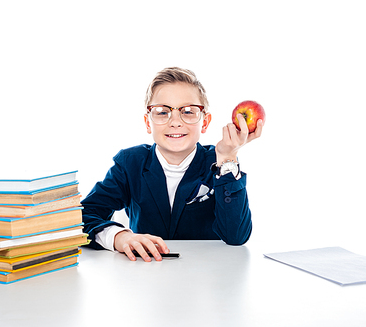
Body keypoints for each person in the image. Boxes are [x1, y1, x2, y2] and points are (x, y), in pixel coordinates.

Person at [81, 67, 264, 261]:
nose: (175, 122)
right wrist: (119, 236)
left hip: (207, 275)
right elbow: (84, 216)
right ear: (147, 122)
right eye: (162, 112)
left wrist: (228, 157)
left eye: (188, 111)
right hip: (145, 272)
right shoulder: (130, 163)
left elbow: (236, 237)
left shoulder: (219, 162)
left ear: (204, 122)